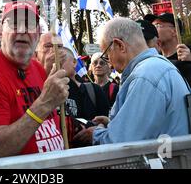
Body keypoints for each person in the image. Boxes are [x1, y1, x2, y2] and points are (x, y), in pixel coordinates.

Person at [0, 1, 69, 158]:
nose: (22, 30)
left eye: (29, 24)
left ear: (38, 33)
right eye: (14, 23)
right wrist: (45, 104)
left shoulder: (38, 69)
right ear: (0, 32)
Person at [75, 17, 190, 145]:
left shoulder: (145, 76)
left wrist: (95, 135)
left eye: (106, 56)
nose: (110, 64)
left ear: (120, 45)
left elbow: (125, 142)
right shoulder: (157, 67)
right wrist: (114, 123)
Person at [61, 47, 109, 147]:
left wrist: (96, 130)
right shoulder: (49, 94)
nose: (56, 63)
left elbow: (106, 121)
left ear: (74, 62)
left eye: (61, 58)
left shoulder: (94, 90)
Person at [147, 13, 191, 86]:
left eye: (157, 25)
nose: (153, 30)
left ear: (174, 31)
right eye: (152, 26)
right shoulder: (154, 59)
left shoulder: (188, 53)